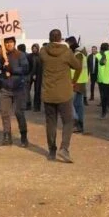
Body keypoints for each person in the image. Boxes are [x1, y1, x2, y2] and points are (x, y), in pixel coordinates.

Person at [40, 30, 82, 162]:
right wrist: (74, 81)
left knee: (51, 122)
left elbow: (43, 55)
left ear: (49, 38)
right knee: (68, 121)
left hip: (48, 93)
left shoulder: (43, 52)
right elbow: (78, 66)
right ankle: (64, 149)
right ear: (60, 38)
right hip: (64, 93)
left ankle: (52, 150)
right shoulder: (66, 52)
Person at [0, 36, 30, 147]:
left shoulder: (20, 55)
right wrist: (1, 61)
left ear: (14, 43)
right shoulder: (2, 56)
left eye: (10, 42)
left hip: (18, 87)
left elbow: (25, 68)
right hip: (6, 88)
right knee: (4, 113)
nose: (8, 44)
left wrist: (11, 69)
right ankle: (7, 137)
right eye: (6, 42)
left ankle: (24, 137)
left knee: (19, 112)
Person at [66, 37, 88, 134]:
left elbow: (78, 69)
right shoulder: (81, 54)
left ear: (71, 43)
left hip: (76, 83)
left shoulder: (78, 54)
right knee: (78, 105)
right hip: (80, 82)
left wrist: (73, 82)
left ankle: (76, 123)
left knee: (69, 103)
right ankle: (80, 126)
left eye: (67, 44)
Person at [27, 43, 43, 112]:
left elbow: (41, 67)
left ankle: (37, 107)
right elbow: (27, 65)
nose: (34, 49)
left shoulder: (41, 56)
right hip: (30, 75)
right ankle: (28, 105)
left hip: (39, 76)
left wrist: (36, 74)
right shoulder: (29, 56)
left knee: (37, 91)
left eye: (35, 48)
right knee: (27, 90)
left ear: (38, 48)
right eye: (33, 48)